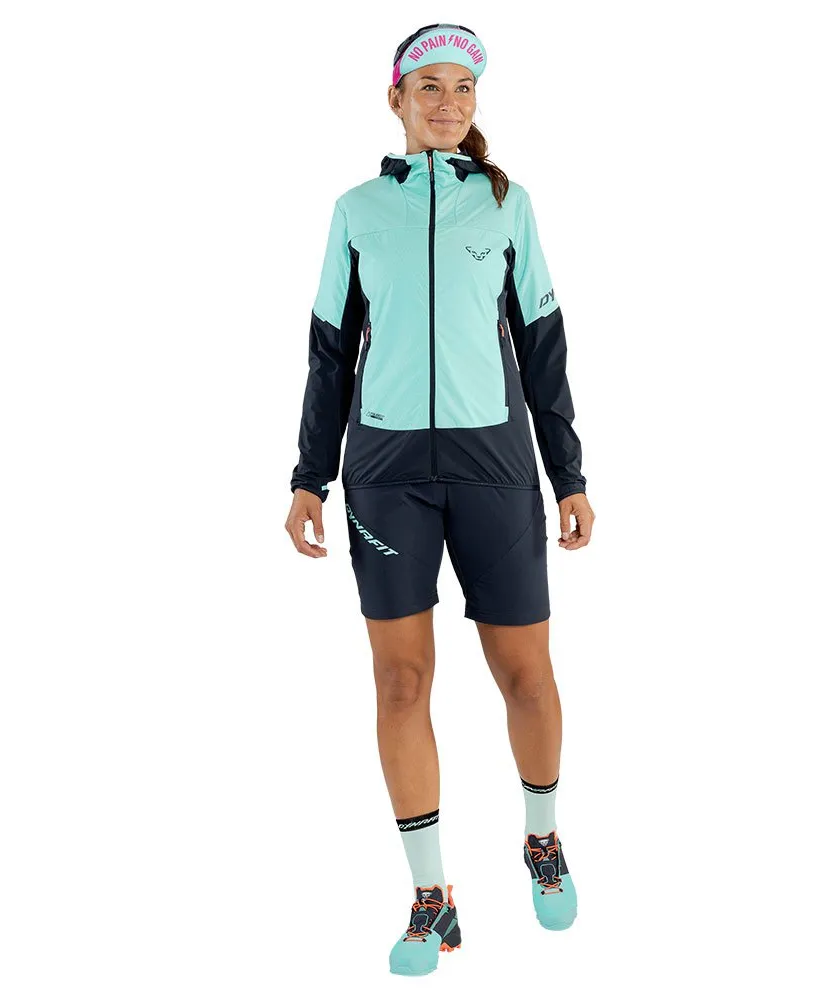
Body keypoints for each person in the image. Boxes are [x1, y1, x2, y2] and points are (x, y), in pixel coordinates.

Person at [285, 23, 594, 976]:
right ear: (397, 99)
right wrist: (309, 475)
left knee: (526, 676)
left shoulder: (507, 204)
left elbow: (543, 347)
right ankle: (432, 899)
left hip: (496, 468)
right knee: (400, 682)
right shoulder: (355, 211)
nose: (449, 102)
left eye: (464, 87)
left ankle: (542, 837)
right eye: (430, 86)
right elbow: (330, 351)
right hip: (385, 475)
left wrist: (570, 475)